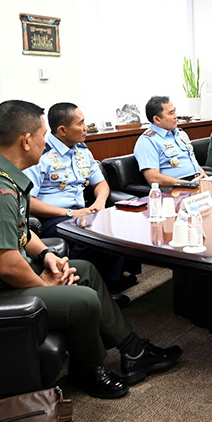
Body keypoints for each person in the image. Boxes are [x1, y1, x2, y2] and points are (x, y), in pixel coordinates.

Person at [0, 100, 182, 399]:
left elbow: (22, 234)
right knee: (82, 299)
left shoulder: (4, 175)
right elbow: (7, 265)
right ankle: (89, 368)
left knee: (83, 269)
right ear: (26, 141)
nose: (44, 141)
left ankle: (134, 351)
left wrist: (48, 256)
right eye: (42, 134)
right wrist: (43, 284)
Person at [22, 102, 133, 303]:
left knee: (119, 224)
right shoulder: (41, 155)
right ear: (62, 130)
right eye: (80, 123)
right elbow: (28, 200)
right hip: (54, 217)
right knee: (88, 237)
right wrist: (70, 214)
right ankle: (86, 291)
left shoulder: (82, 150)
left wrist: (100, 203)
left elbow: (101, 184)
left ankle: (109, 285)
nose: (85, 128)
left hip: (83, 212)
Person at [134, 96, 207, 186]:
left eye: (175, 111)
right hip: (176, 188)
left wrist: (203, 175)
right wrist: (187, 184)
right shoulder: (147, 141)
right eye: (171, 113)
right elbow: (153, 178)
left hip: (198, 182)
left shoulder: (181, 134)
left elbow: (190, 160)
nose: (176, 116)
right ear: (157, 119)